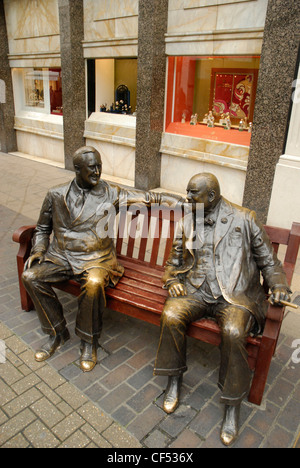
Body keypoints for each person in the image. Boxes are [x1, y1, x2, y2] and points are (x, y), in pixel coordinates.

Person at [153, 173, 291, 446]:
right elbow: (173, 260)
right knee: (170, 315)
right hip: (195, 290)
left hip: (234, 296)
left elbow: (270, 262)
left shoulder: (245, 218)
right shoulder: (188, 220)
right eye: (188, 192)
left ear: (212, 197)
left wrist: (278, 287)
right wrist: (171, 280)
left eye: (194, 193)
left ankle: (231, 404)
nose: (188, 198)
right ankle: (174, 380)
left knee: (232, 330)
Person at [22, 146, 181, 373]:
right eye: (91, 168)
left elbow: (148, 198)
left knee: (95, 283)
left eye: (99, 166)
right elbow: (42, 227)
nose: (97, 172)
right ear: (77, 170)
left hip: (97, 259)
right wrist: (38, 250)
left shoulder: (111, 193)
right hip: (61, 257)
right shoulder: (55, 194)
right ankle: (56, 333)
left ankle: (89, 341)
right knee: (30, 276)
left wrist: (185, 203)